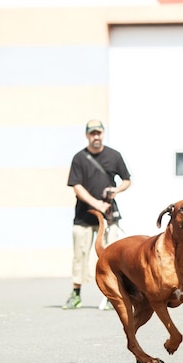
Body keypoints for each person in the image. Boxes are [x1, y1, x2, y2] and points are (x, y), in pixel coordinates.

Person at [63, 120, 131, 310]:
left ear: (103, 134)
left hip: (109, 217)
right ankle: (76, 294)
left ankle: (112, 295)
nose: (96, 137)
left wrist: (116, 190)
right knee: (80, 254)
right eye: (92, 133)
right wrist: (96, 204)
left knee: (113, 256)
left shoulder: (114, 156)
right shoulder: (79, 158)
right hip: (84, 217)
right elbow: (76, 187)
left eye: (99, 133)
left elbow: (127, 180)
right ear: (87, 135)